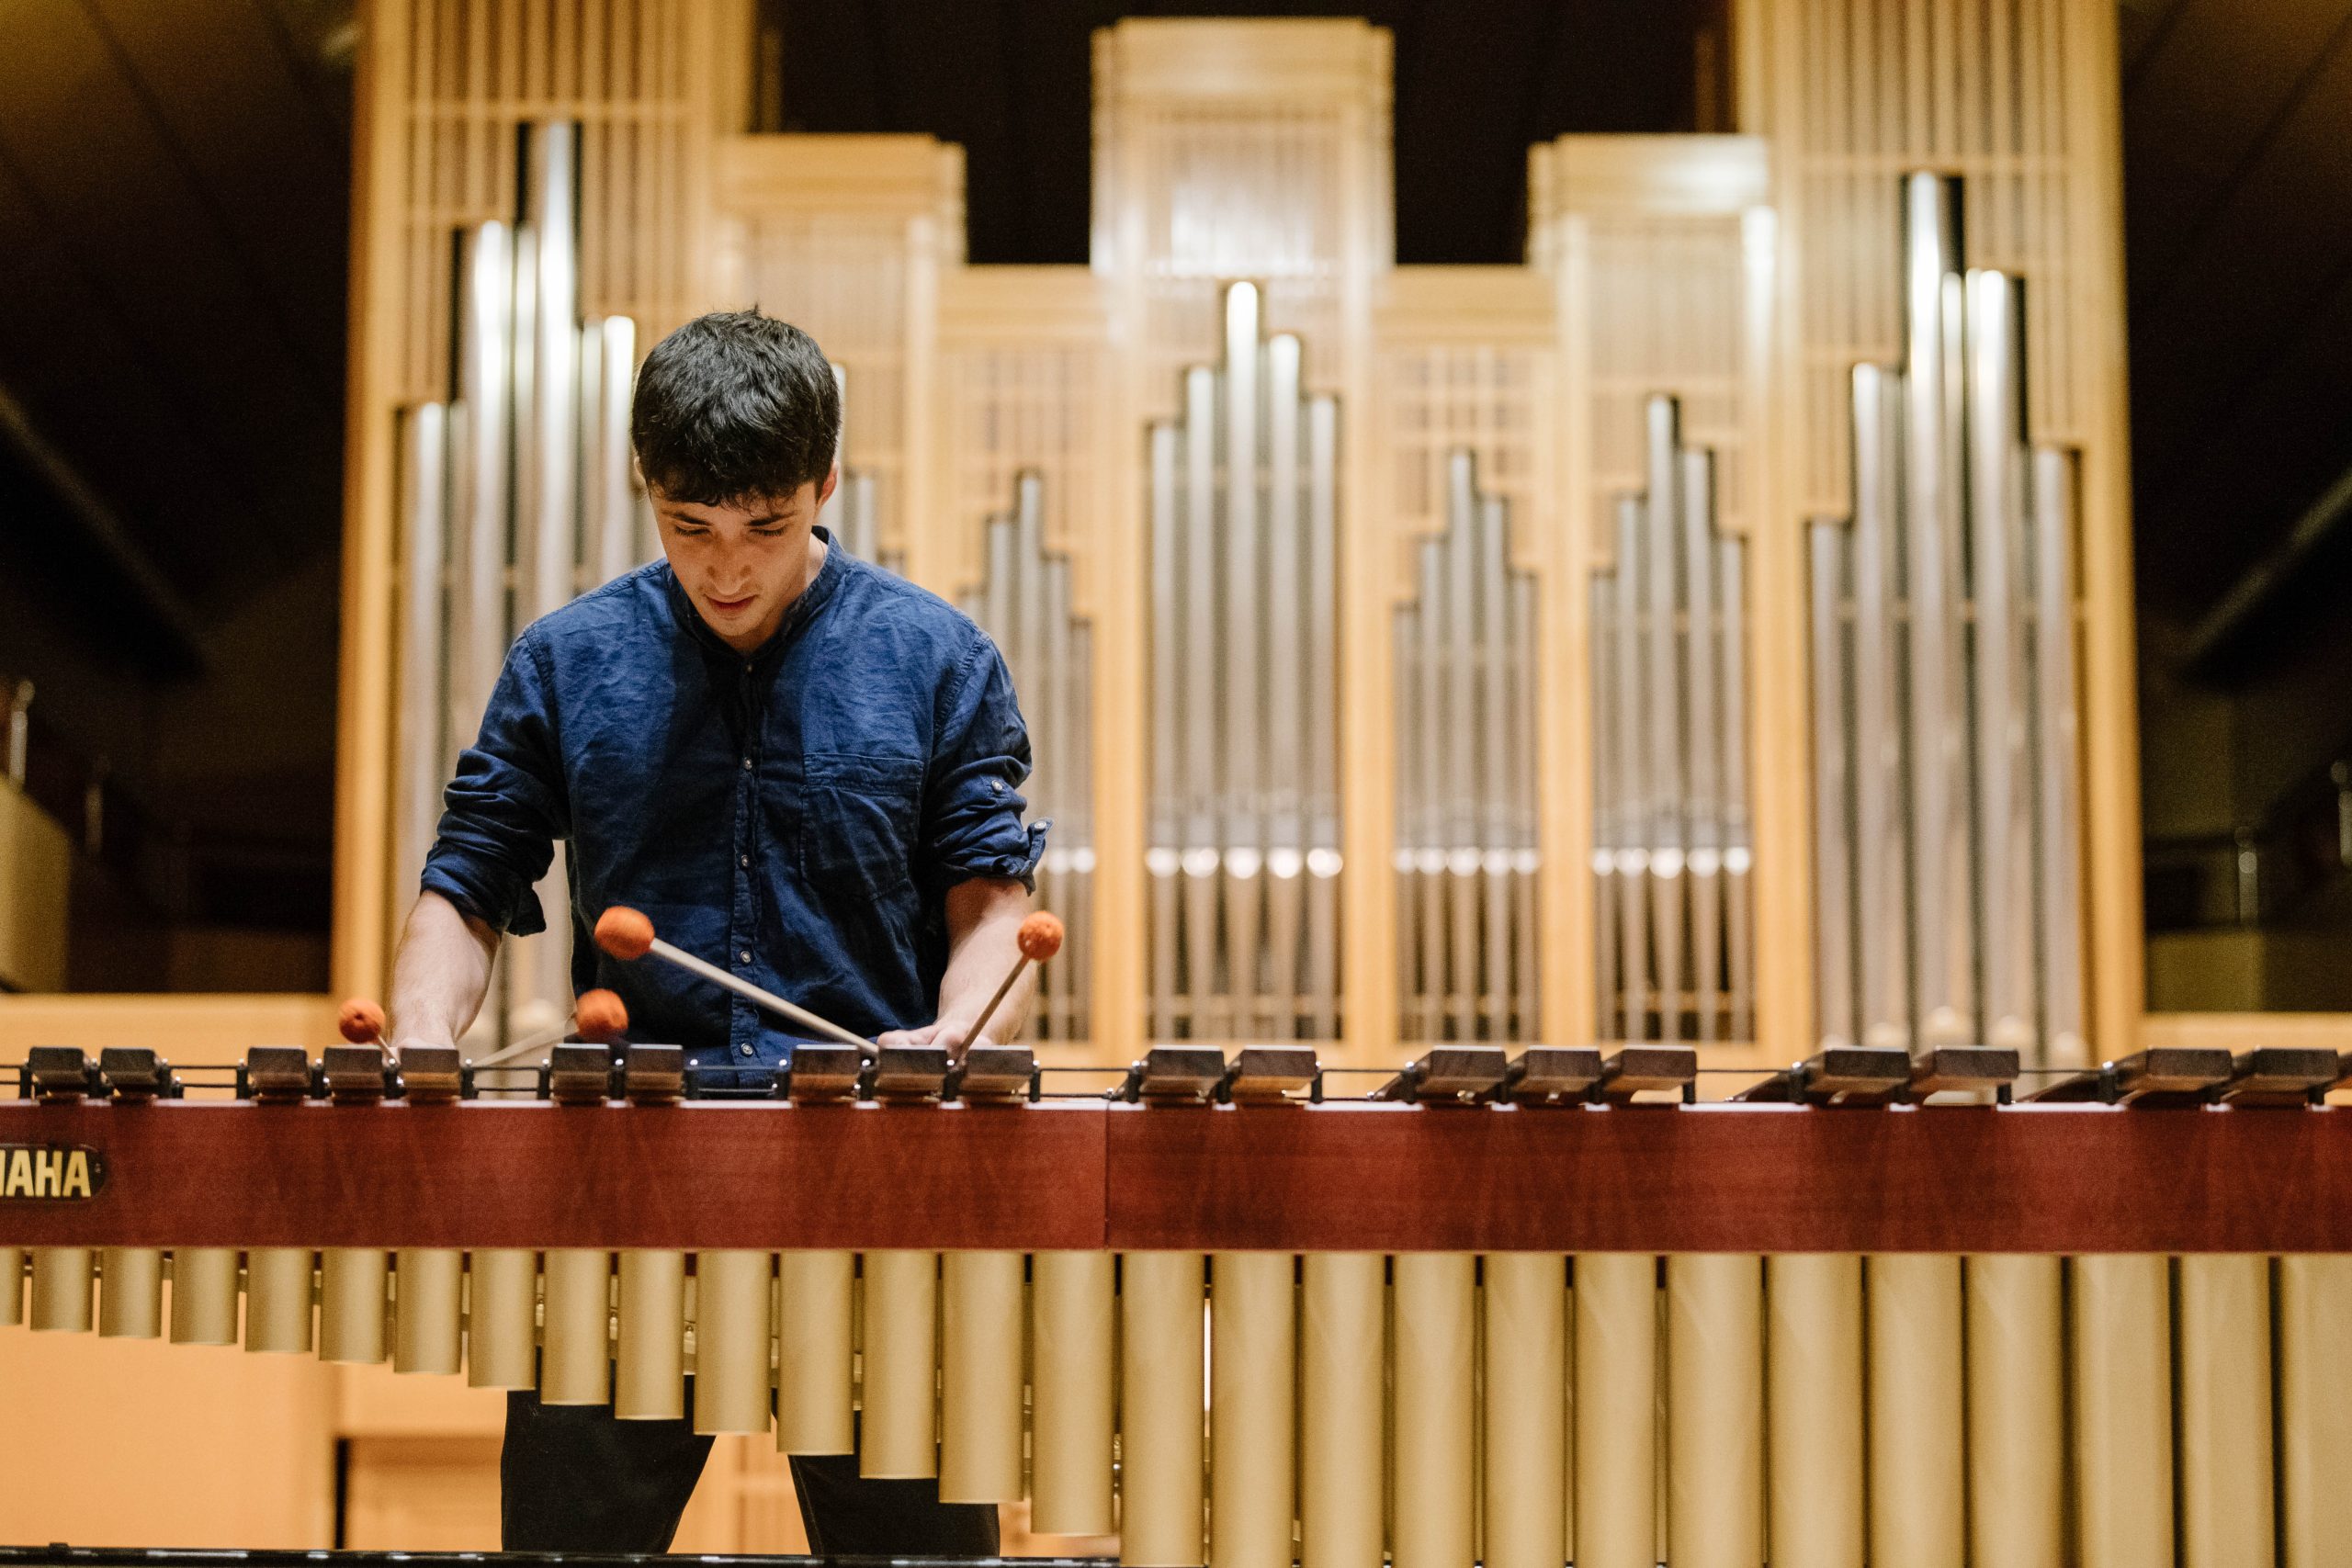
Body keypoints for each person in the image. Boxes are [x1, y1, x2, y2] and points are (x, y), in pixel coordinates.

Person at [386, 308, 1043, 1554]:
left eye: (767, 528)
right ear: (647, 488)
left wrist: (958, 1029)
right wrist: (423, 1033)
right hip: (625, 1178)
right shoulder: (567, 662)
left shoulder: (936, 658)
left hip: (872, 1180)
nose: (727, 568)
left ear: (827, 485)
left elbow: (992, 908)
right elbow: (467, 882)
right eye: (690, 529)